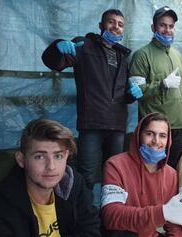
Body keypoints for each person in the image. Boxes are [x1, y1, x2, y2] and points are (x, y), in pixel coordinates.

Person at [42, 9, 137, 191]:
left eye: (120, 24)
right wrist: (57, 47)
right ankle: (85, 215)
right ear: (101, 25)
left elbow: (124, 95)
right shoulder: (84, 46)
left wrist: (131, 94)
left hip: (117, 124)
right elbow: (54, 63)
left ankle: (110, 213)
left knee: (114, 173)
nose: (115, 27)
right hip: (92, 122)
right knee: (87, 175)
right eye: (111, 22)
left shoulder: (123, 57)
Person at [0, 119, 101, 237]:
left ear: (66, 156)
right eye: (40, 157)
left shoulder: (73, 184)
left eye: (58, 156)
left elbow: (91, 232)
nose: (51, 167)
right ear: (21, 160)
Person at [101, 112, 182, 237]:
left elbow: (174, 225)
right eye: (150, 134)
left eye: (162, 136)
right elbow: (111, 215)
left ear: (168, 141)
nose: (156, 141)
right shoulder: (115, 165)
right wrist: (161, 213)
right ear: (138, 136)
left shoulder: (172, 175)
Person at [129, 6, 182, 167]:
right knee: (154, 172)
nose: (167, 30)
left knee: (178, 173)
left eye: (171, 26)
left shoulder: (177, 55)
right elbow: (137, 93)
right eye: (163, 25)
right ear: (153, 27)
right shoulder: (141, 56)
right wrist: (162, 84)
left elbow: (177, 87)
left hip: (181, 127)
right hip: (156, 131)